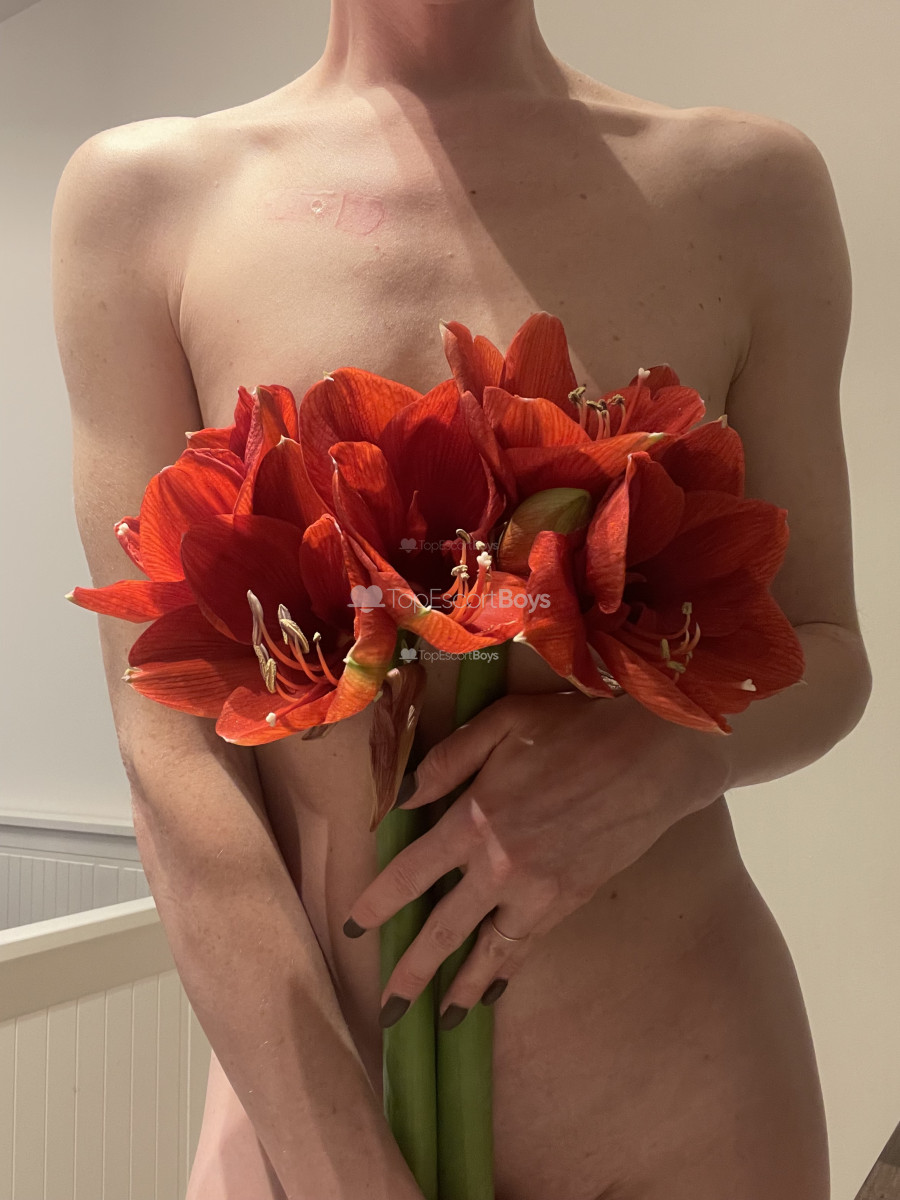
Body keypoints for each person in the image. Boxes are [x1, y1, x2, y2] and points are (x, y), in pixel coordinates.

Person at [53, 0, 873, 1196]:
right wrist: (338, 1168)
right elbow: (170, 756)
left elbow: (829, 649)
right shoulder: (144, 200)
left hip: (688, 1100)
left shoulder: (749, 188)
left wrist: (661, 760)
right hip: (317, 1119)